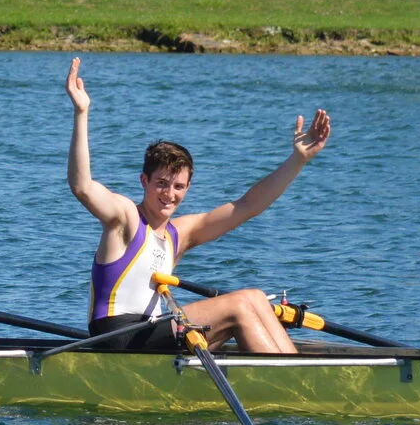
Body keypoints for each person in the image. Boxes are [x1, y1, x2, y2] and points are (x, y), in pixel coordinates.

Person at [64, 57, 331, 353]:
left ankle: (294, 373)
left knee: (255, 298)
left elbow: (248, 205)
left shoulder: (179, 234)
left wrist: (298, 160)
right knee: (241, 302)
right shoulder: (126, 218)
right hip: (116, 338)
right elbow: (82, 187)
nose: (169, 194)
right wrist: (81, 112)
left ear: (188, 188)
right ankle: (291, 382)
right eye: (161, 184)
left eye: (178, 187)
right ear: (144, 181)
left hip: (152, 336)